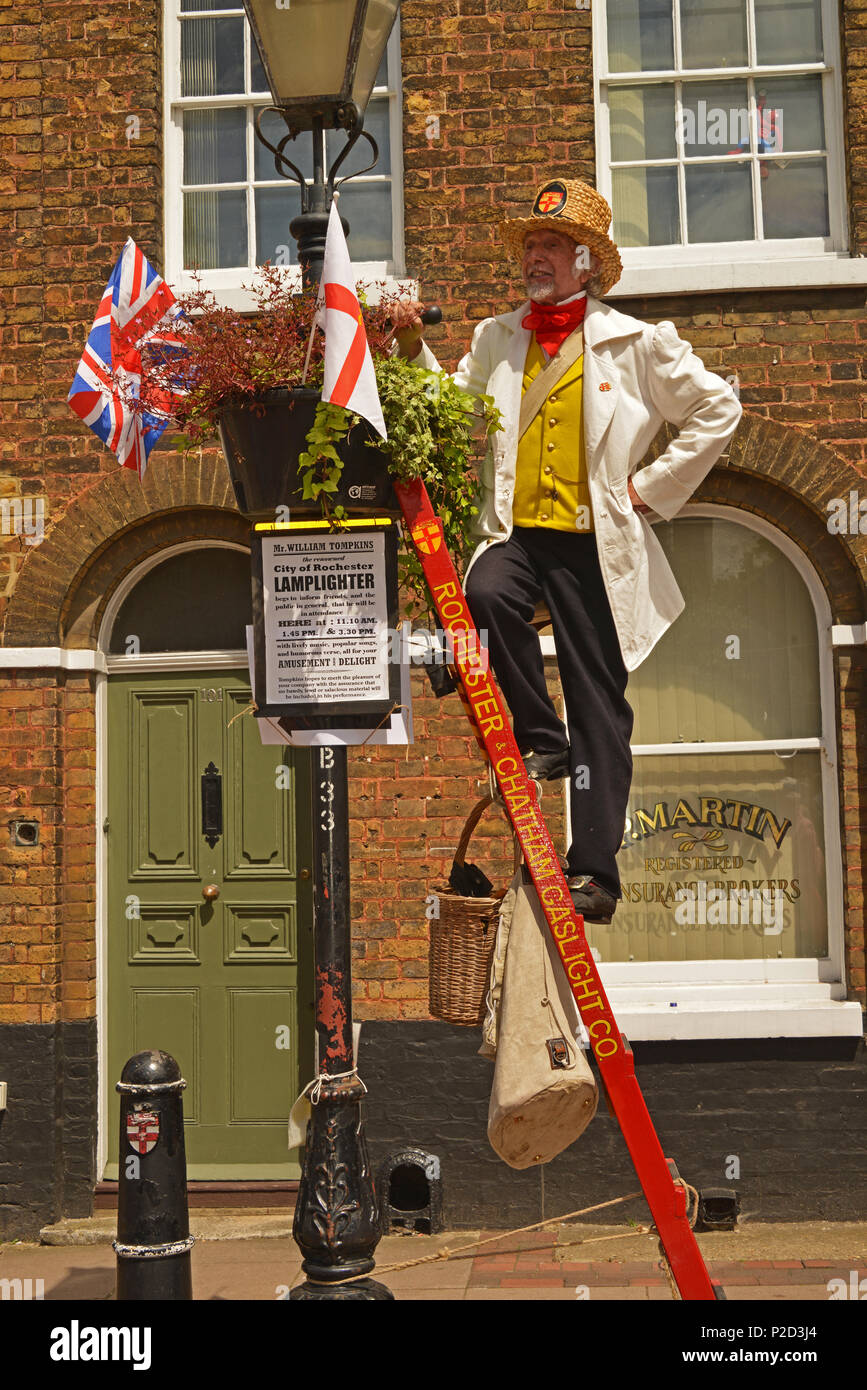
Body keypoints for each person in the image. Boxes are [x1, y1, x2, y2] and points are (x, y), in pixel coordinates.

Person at [394, 178, 742, 922]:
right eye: (530, 245)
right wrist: (413, 348)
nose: (535, 257)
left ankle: (595, 876)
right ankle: (538, 738)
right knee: (483, 595)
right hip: (517, 537)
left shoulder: (636, 342)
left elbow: (718, 407)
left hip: (596, 546)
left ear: (585, 261)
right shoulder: (496, 337)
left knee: (599, 707)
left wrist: (649, 490)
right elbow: (453, 415)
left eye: (551, 245)